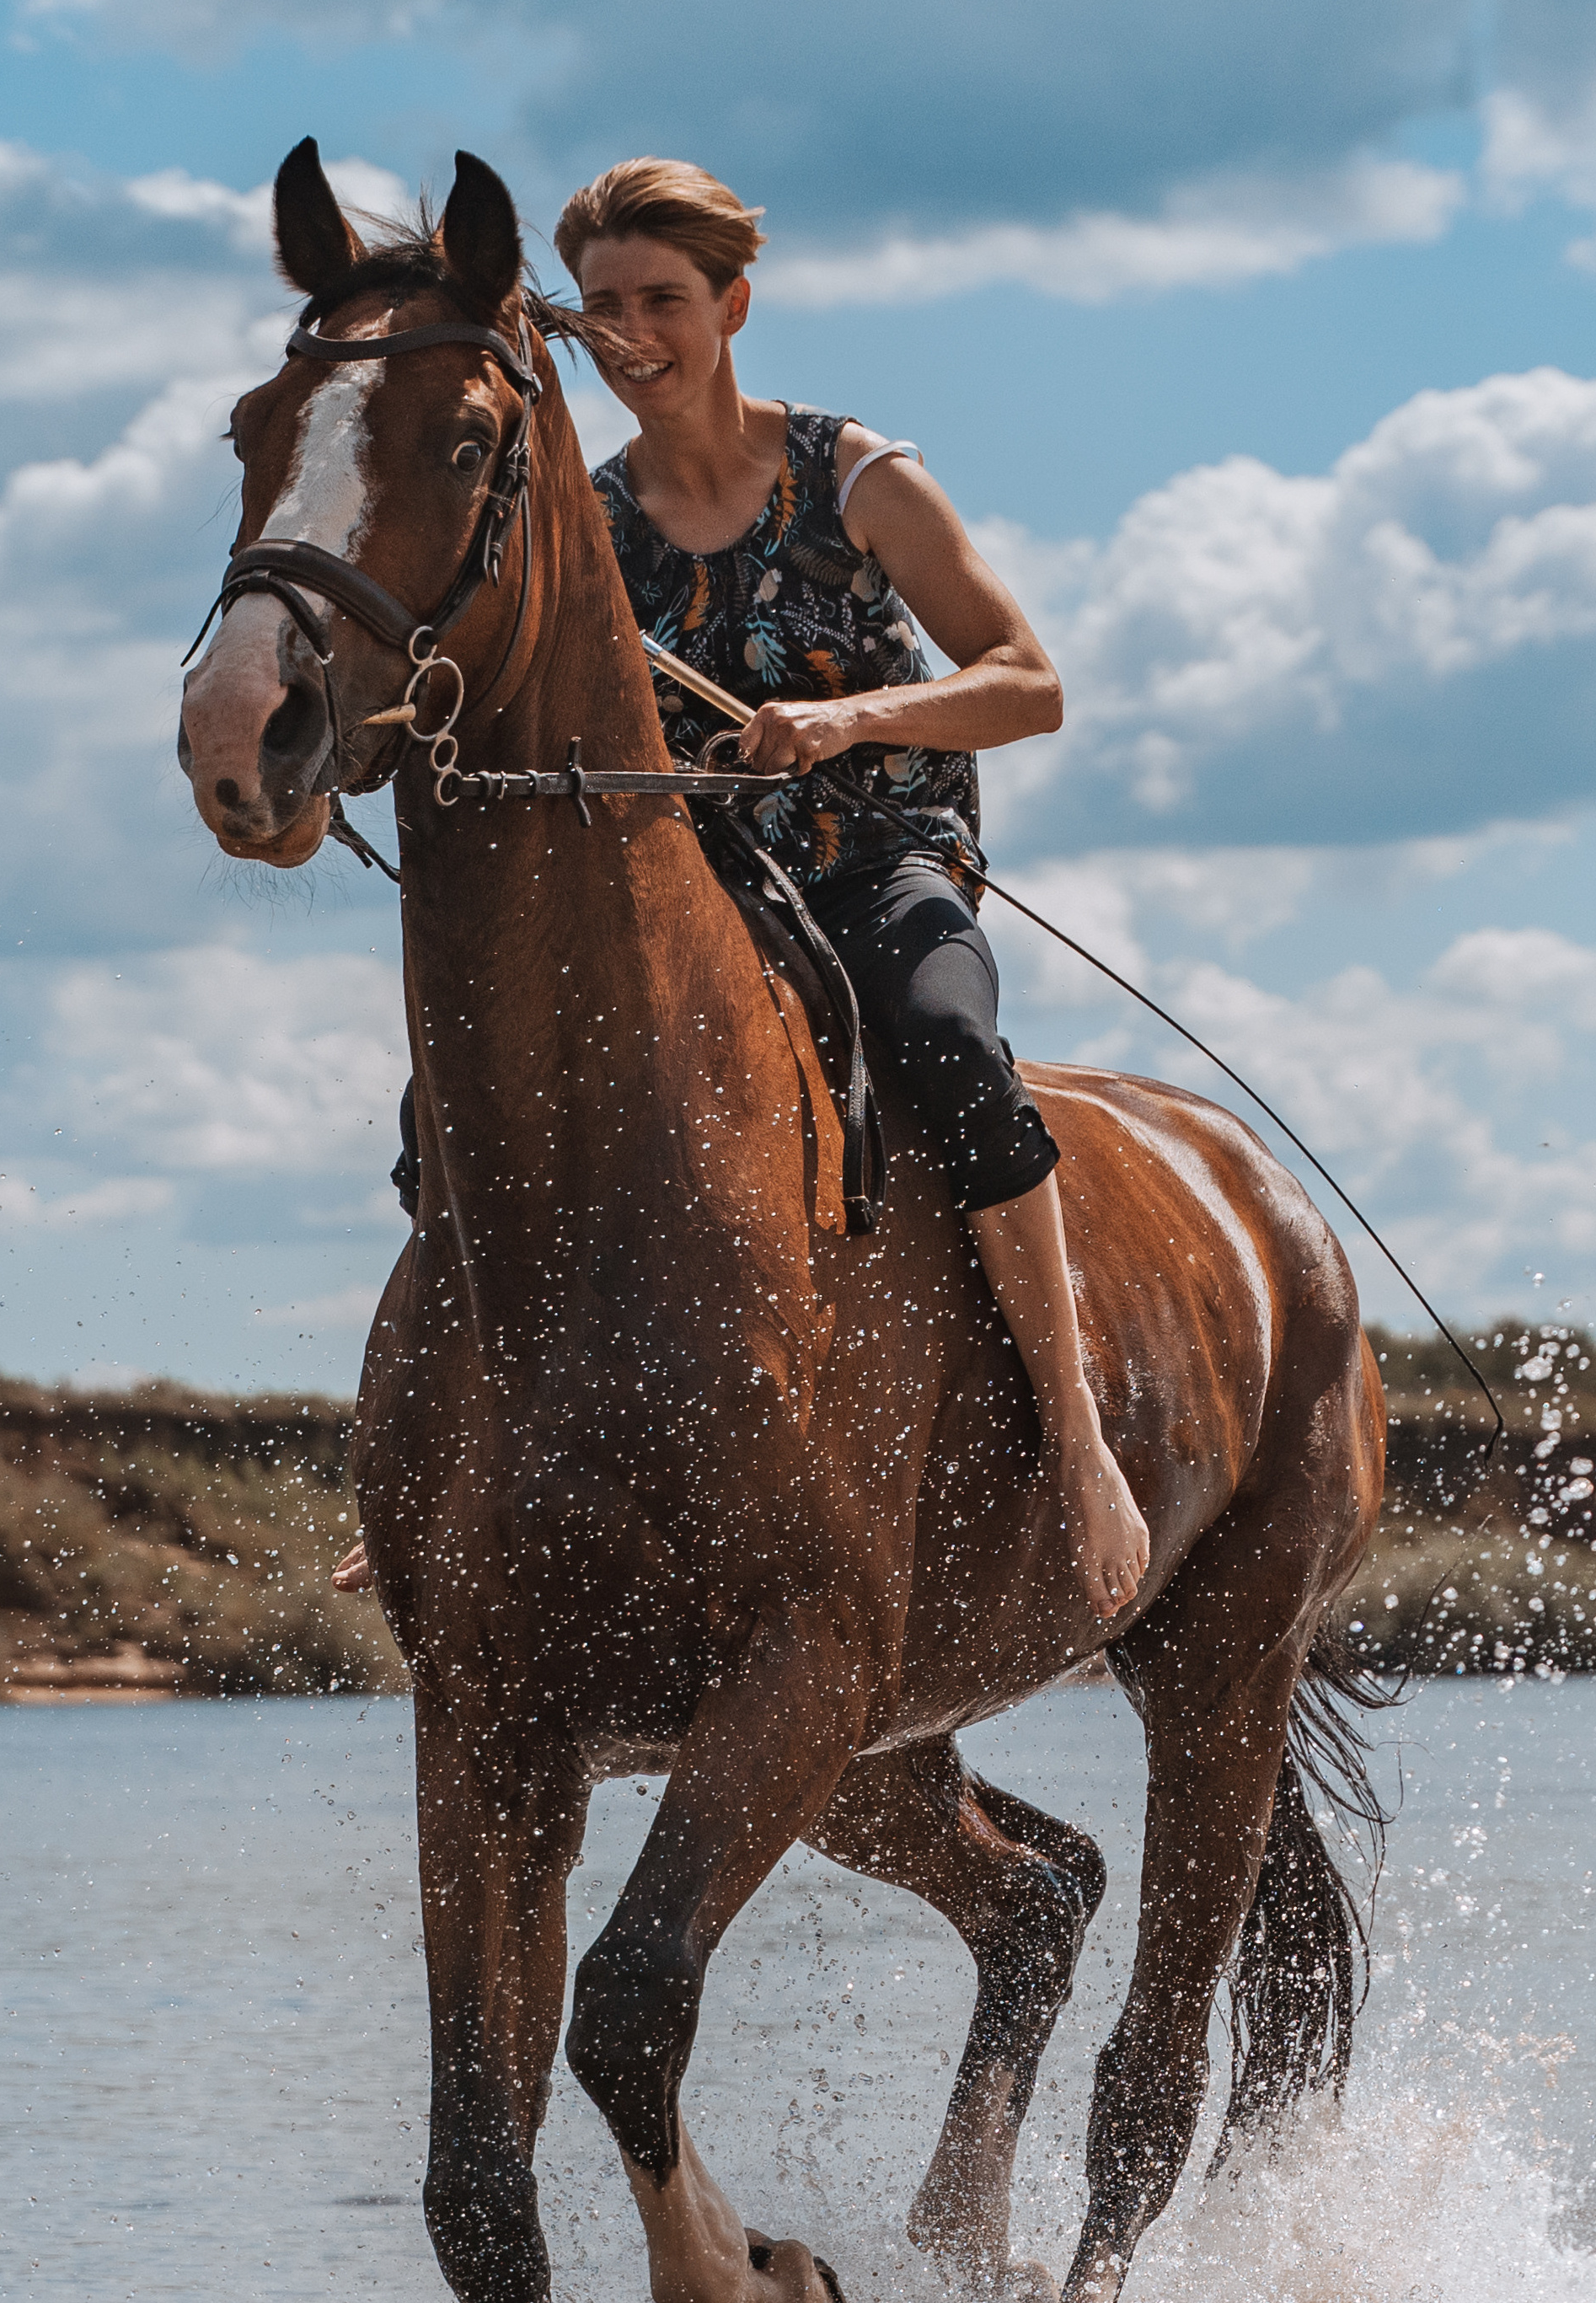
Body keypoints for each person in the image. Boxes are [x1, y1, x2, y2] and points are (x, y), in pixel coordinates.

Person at [335, 156, 1149, 1621]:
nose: (634, 332)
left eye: (664, 300)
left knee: (953, 1049)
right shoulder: (578, 521)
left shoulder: (855, 477)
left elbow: (1028, 685)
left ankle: (1076, 1435)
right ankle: (446, 1450)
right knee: (452, 1095)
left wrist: (847, 721)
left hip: (876, 857)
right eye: (605, 308)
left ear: (733, 305)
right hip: (691, 881)